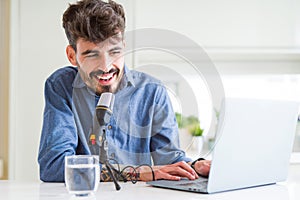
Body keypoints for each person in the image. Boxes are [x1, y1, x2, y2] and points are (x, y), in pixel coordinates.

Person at [38, 0, 210, 182]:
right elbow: (53, 167)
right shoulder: (62, 85)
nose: (106, 67)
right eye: (92, 54)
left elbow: (169, 161)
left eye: (114, 52)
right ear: (72, 56)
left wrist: (194, 166)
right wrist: (138, 173)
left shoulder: (153, 92)